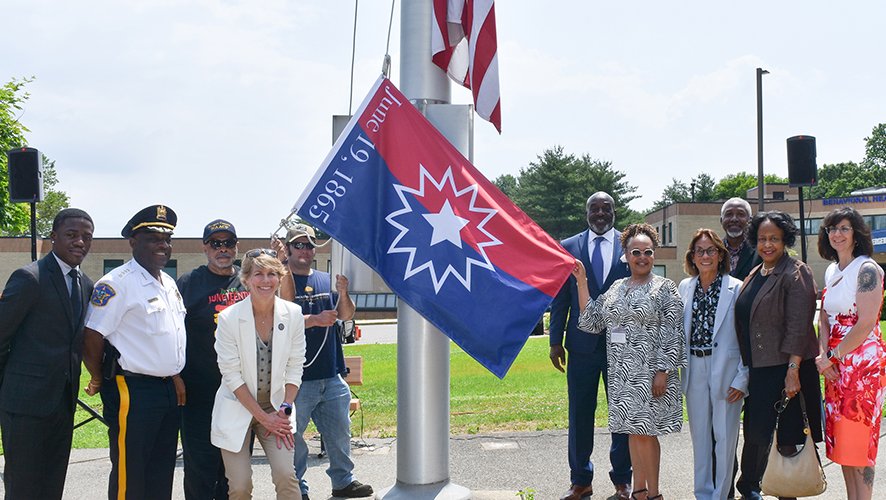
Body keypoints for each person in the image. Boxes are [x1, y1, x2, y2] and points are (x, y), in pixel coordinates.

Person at [83, 204, 187, 500]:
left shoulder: (167, 282)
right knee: (131, 472)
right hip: (132, 388)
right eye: (153, 238)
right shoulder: (116, 284)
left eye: (166, 240)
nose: (162, 246)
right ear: (133, 242)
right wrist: (98, 376)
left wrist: (175, 375)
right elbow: (92, 335)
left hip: (167, 389)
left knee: (161, 469)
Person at [574, 223, 684, 500]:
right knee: (633, 434)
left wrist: (663, 371)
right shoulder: (616, 288)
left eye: (648, 252)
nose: (642, 257)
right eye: (636, 251)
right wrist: (581, 281)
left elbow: (673, 332)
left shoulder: (665, 288)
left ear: (654, 254)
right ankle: (639, 491)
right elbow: (592, 321)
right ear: (625, 254)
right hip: (623, 374)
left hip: (652, 374)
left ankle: (655, 493)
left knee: (648, 434)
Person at [0, 208, 94, 499]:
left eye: (86, 237)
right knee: (24, 486)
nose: (80, 242)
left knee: (53, 483)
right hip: (24, 405)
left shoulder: (86, 284)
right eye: (72, 235)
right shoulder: (30, 278)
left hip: (63, 403)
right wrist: (9, 387)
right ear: (53, 237)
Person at [279, 223, 373, 500]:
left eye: (310, 244)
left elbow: (345, 315)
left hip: (331, 374)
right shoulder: (278, 281)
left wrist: (343, 293)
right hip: (297, 381)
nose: (306, 250)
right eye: (299, 245)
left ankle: (343, 482)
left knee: (340, 434)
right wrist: (316, 320)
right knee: (294, 441)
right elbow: (283, 319)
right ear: (288, 248)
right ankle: (297, 490)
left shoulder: (325, 278)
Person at [733, 211, 823, 500]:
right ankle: (750, 489)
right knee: (756, 437)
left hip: (787, 369)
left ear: (785, 240)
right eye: (762, 239)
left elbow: (799, 325)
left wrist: (793, 370)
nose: (767, 245)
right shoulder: (755, 272)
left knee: (787, 441)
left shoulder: (796, 271)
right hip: (759, 370)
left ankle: (787, 492)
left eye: (774, 238)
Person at [549, 192, 632, 500]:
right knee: (580, 414)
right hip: (581, 347)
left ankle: (622, 480)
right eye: (594, 209)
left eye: (605, 208)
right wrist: (555, 340)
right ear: (586, 213)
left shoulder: (630, 244)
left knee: (622, 414)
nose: (600, 213)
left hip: (622, 348)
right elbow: (560, 298)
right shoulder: (568, 247)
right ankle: (580, 479)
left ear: (614, 211)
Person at [210, 249, 306, 499]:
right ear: (246, 279)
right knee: (240, 486)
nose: (266, 281)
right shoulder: (229, 318)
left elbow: (296, 366)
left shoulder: (293, 314)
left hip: (277, 409)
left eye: (272, 274)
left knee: (287, 476)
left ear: (280, 277)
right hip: (237, 408)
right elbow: (231, 375)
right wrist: (263, 418)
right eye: (259, 274)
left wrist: (284, 408)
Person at [815, 207, 886, 500]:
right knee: (842, 442)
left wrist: (832, 356)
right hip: (834, 364)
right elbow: (825, 319)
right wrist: (823, 358)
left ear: (856, 233)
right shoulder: (832, 270)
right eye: (832, 228)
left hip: (862, 366)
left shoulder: (867, 269)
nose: (837, 234)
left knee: (859, 442)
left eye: (844, 228)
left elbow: (867, 321)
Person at [178, 219, 250, 499]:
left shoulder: (249, 279)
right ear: (205, 247)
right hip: (200, 392)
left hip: (241, 394)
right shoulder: (188, 283)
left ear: (237, 246)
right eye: (215, 243)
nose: (223, 249)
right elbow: (174, 333)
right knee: (200, 466)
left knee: (233, 469)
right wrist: (175, 376)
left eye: (228, 243)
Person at [677, 229, 747, 500]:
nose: (705, 256)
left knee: (726, 438)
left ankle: (720, 495)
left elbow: (747, 337)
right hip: (694, 368)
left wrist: (742, 378)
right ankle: (703, 494)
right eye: (699, 251)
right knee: (701, 439)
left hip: (727, 372)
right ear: (692, 257)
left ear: (720, 255)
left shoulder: (737, 287)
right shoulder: (685, 287)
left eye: (711, 251)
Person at [721, 197, 760, 280]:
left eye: (741, 214)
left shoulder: (761, 251)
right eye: (729, 214)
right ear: (721, 220)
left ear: (750, 221)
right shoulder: (714, 250)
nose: (734, 219)